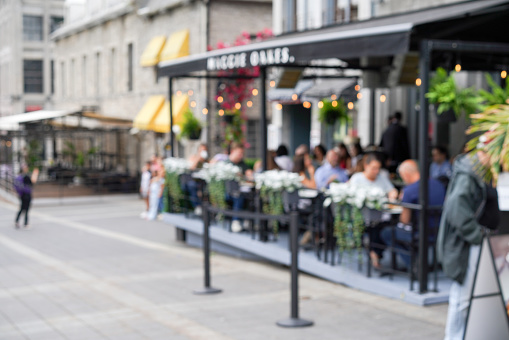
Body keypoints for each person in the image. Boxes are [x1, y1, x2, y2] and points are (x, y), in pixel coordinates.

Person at [437, 149, 499, 340]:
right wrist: (476, 235)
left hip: (475, 243)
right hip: (468, 245)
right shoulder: (470, 174)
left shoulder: (478, 173)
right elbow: (457, 208)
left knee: (466, 294)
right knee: (463, 295)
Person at [380, 160, 446, 268]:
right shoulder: (438, 184)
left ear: (406, 174)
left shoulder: (409, 190)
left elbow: (404, 220)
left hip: (419, 234)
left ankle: (414, 265)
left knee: (387, 233)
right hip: (439, 230)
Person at [348, 153, 398, 267]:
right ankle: (375, 255)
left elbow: (392, 190)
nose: (376, 171)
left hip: (381, 215)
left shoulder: (382, 178)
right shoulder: (357, 178)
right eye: (374, 168)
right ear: (366, 166)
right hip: (362, 216)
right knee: (375, 228)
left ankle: (376, 254)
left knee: (386, 228)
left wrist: (392, 195)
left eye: (378, 168)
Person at [226, 143, 252, 232]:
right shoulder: (226, 164)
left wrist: (249, 173)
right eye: (239, 153)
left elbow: (248, 173)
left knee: (251, 196)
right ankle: (235, 221)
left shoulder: (242, 164)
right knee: (238, 196)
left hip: (241, 190)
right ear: (233, 151)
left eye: (242, 153)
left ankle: (247, 220)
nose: (241, 156)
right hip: (227, 191)